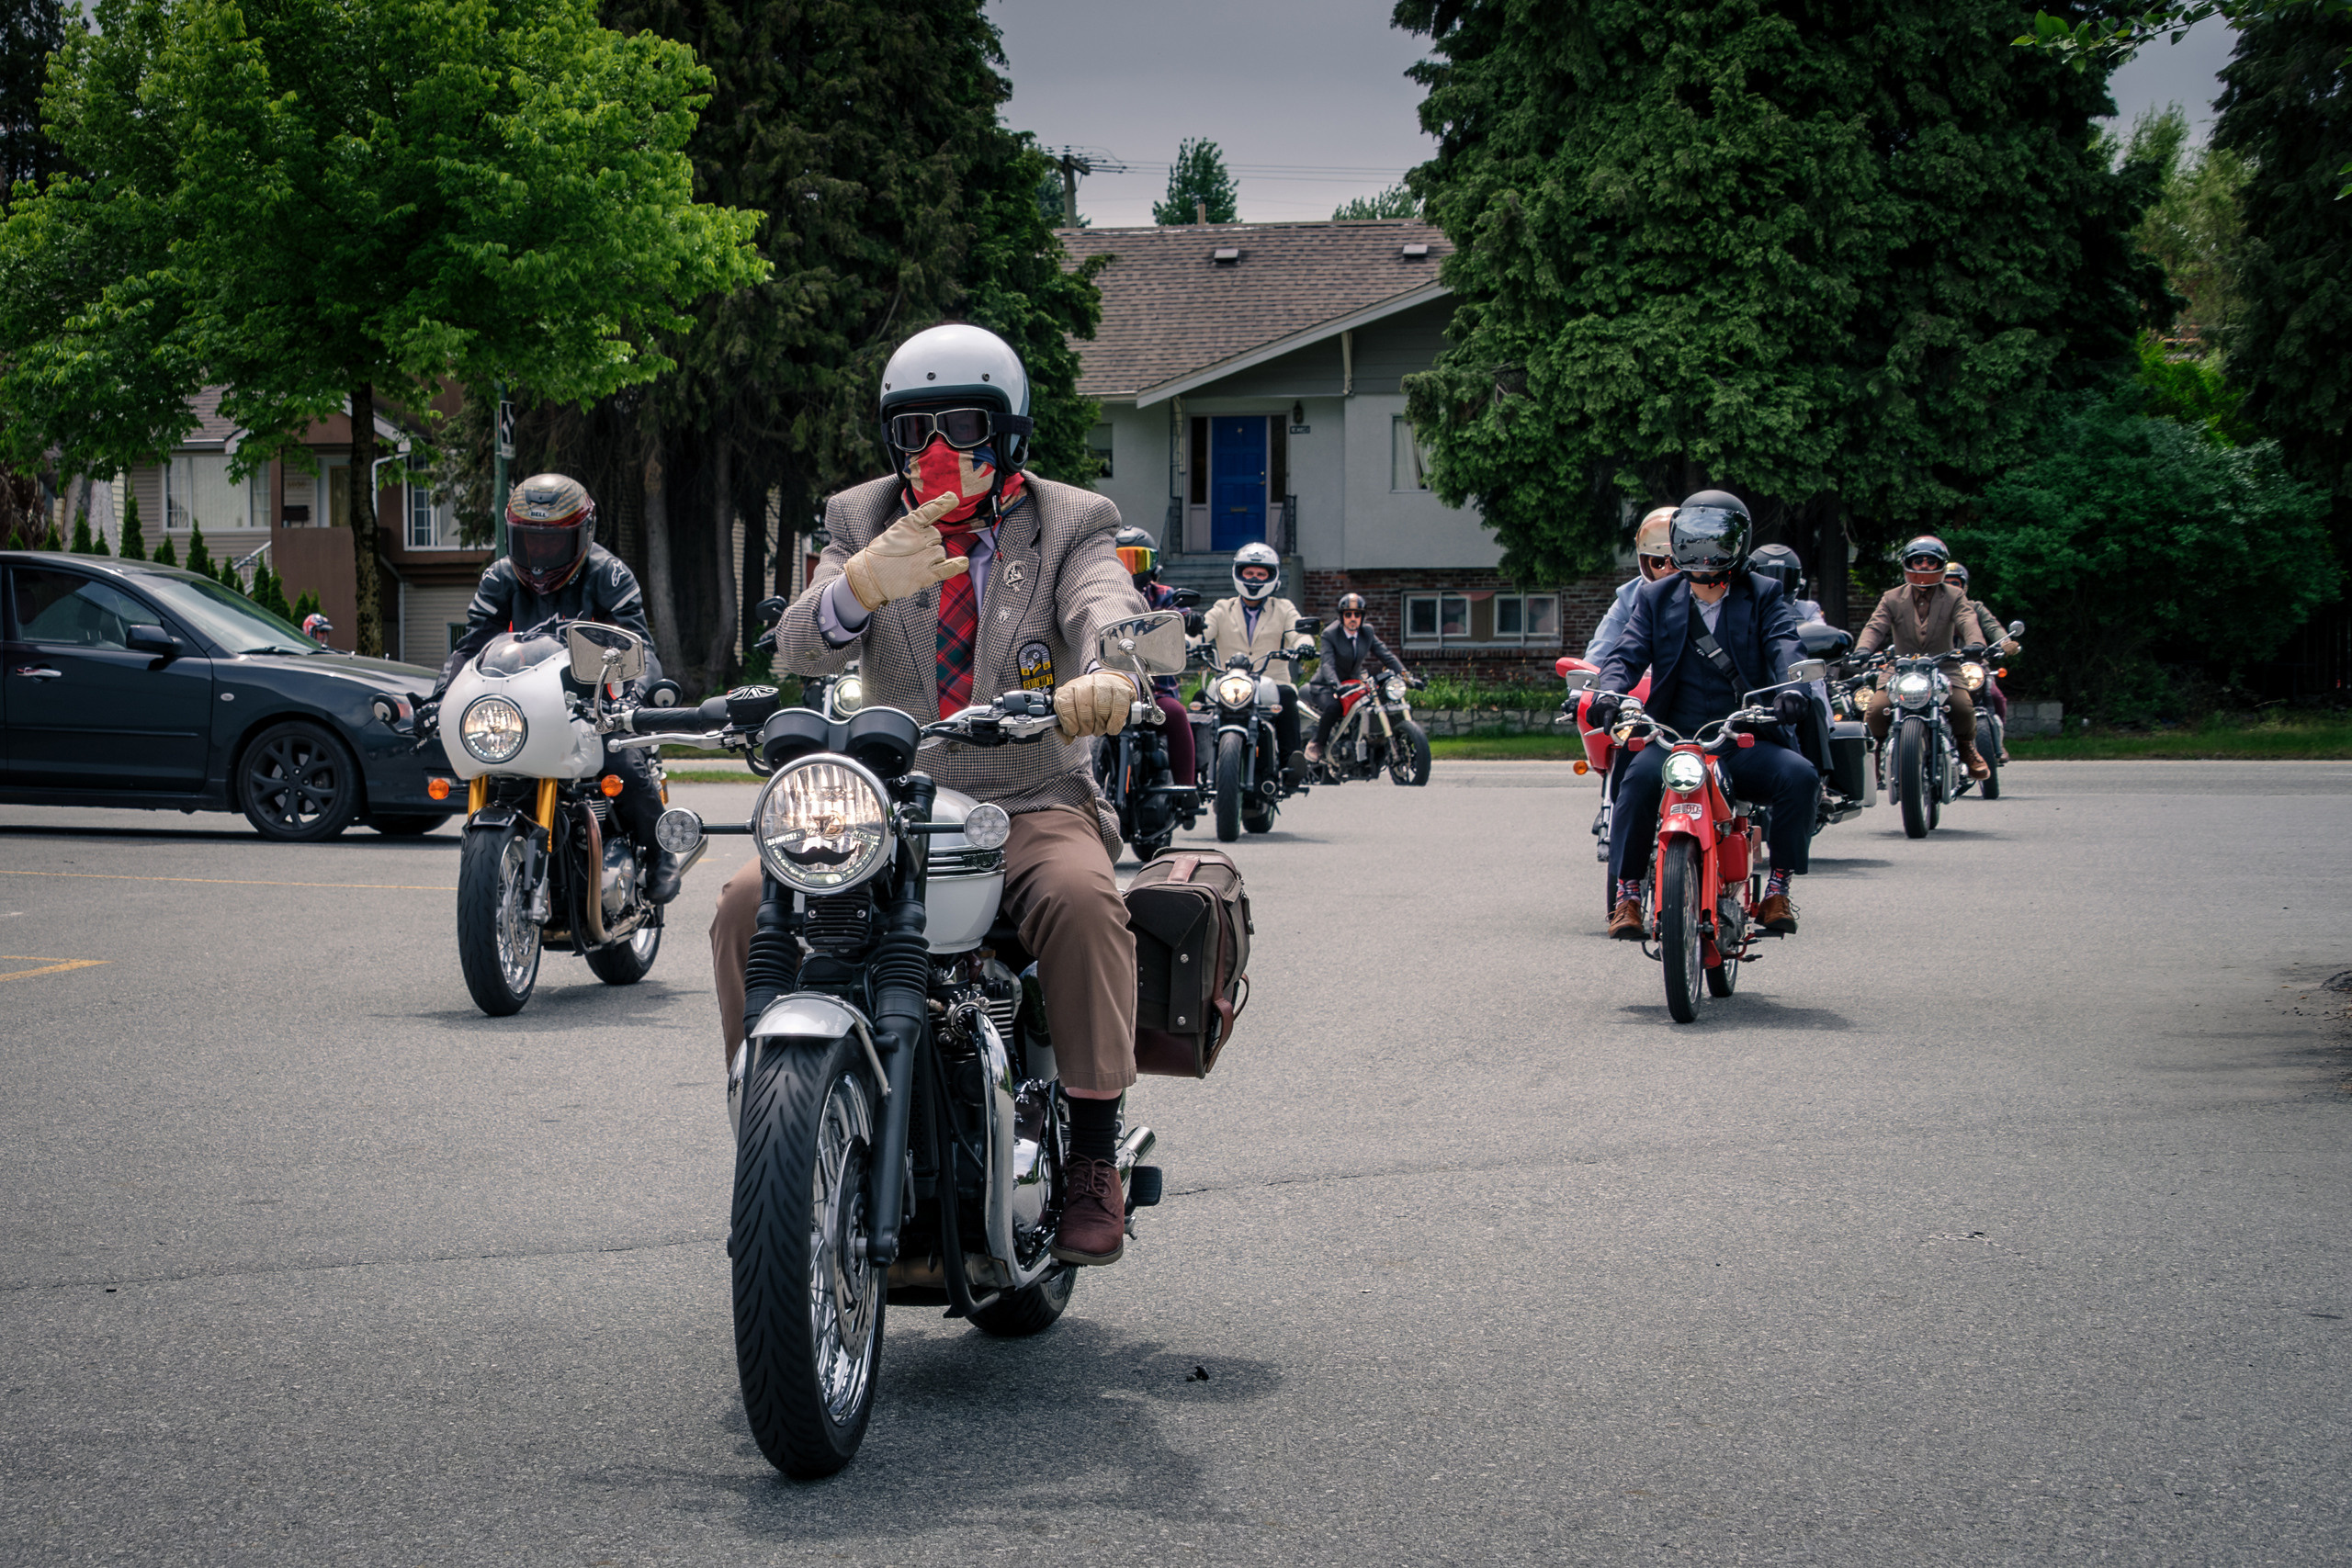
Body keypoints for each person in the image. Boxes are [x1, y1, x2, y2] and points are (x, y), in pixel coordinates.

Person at [708, 322, 1148, 1267]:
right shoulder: (857, 518)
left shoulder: (1071, 518)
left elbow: (1104, 602)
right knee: (746, 901)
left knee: (1081, 900)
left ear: (1010, 433)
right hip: (887, 799)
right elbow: (795, 648)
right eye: (915, 430)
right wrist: (854, 590)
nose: (938, 452)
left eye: (963, 424)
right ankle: (770, 1131)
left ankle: (1093, 1159)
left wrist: (1109, 672)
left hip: (1029, 792)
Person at [435, 473, 688, 905]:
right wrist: (440, 695)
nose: (539, 555)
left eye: (552, 543)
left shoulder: (608, 574)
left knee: (621, 762)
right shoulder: (500, 578)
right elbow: (472, 646)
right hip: (527, 700)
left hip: (594, 696)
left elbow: (639, 645)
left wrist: (630, 695)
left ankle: (661, 852)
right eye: (530, 542)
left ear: (583, 534)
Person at [1586, 491, 1818, 941]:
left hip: (1741, 739)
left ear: (1739, 544)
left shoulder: (1764, 595)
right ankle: (1628, 895)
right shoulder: (1655, 598)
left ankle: (1777, 888)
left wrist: (1793, 687)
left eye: (1717, 545)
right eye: (1694, 544)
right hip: (1674, 739)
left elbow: (1785, 646)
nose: (1705, 556)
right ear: (1678, 544)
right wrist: (1609, 692)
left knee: (1801, 776)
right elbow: (1626, 653)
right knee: (1631, 782)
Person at [1853, 536, 1991, 780]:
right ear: (1908, 563)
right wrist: (1863, 649)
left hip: (1944, 667)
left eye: (1930, 561)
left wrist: (1976, 643)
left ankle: (1967, 749)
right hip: (1901, 669)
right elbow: (1875, 626)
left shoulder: (1954, 595)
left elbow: (1967, 619)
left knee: (1962, 707)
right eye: (1918, 561)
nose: (1924, 566)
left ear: (1940, 564)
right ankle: (1875, 757)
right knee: (1876, 710)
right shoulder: (1892, 597)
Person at [1199, 541, 1314, 779]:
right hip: (1229, 684)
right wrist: (1188, 639)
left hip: (1272, 684)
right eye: (1248, 572)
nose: (1254, 578)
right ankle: (1195, 768)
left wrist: (1304, 645)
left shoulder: (1284, 608)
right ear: (1238, 573)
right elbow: (1202, 632)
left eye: (1261, 574)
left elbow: (1298, 632)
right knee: (1200, 699)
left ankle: (1289, 765)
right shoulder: (1222, 608)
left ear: (1271, 577)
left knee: (1288, 696)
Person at [1115, 525, 1195, 787]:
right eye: (1120, 560)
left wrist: (1188, 625)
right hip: (1110, 687)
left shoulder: (1164, 595)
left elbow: (1178, 615)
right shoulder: (1102, 597)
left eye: (1137, 560)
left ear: (1153, 565)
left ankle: (1186, 788)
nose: (1129, 570)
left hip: (1155, 692)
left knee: (1175, 713)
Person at [1304, 592, 1408, 762]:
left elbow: (1386, 656)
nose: (1353, 618)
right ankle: (1317, 743)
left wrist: (1406, 676)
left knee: (1371, 705)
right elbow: (1327, 664)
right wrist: (1336, 684)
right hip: (1326, 685)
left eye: (1357, 614)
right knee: (1334, 708)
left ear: (1362, 616)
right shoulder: (1330, 634)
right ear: (1341, 616)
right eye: (1348, 614)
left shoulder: (1367, 632)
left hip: (1353, 683)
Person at [1582, 507, 1677, 661]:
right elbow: (1600, 651)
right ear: (1644, 562)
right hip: (1642, 682)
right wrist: (1585, 681)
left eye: (1675, 562)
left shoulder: (1706, 593)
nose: (1667, 570)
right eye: (1658, 562)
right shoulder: (1629, 598)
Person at [1946, 561, 2018, 762]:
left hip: (1974, 666)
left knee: (1995, 697)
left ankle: (1998, 742)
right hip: (1943, 668)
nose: (1951, 587)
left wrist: (2006, 642)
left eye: (1956, 583)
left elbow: (1992, 626)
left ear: (1964, 586)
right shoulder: (1932, 611)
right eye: (1946, 583)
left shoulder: (1975, 608)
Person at [1747, 543, 1824, 623]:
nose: (1774, 588)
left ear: (1799, 582)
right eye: (1766, 583)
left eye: (1784, 581)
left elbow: (1820, 630)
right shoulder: (1743, 608)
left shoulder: (1807, 609)